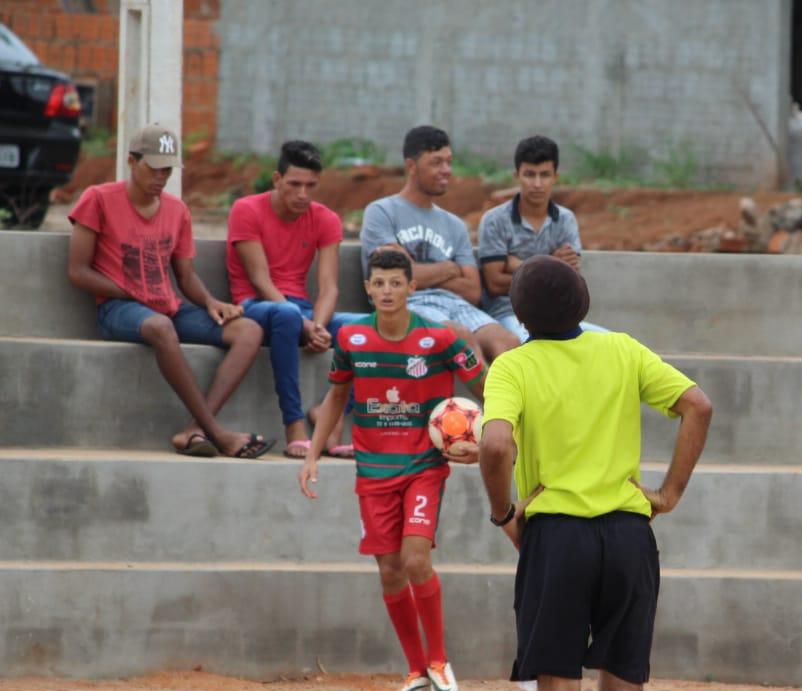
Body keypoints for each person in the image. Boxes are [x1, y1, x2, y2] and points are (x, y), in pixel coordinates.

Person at [479, 256, 713, 691]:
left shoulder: (514, 366)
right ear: (584, 304)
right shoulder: (621, 350)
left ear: (519, 315)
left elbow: (496, 443)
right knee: (623, 679)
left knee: (558, 688)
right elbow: (698, 405)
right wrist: (669, 493)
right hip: (628, 534)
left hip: (557, 537)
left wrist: (505, 513)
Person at [299, 248, 485, 691]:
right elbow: (336, 397)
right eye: (379, 283)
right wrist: (312, 454)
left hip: (423, 466)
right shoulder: (352, 338)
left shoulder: (440, 339)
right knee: (388, 571)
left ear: (411, 288)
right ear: (368, 288)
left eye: (395, 283)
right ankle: (417, 671)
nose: (386, 291)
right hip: (373, 470)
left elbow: (488, 387)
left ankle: (439, 662)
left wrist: (489, 441)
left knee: (415, 560)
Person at [67, 123, 273, 459]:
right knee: (160, 327)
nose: (161, 177)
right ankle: (218, 433)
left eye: (168, 169)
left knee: (249, 330)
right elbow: (78, 272)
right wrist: (130, 292)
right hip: (119, 309)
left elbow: (186, 277)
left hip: (168, 308)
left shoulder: (177, 210)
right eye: (154, 168)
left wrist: (211, 302)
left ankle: (194, 429)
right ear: (131, 161)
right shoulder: (98, 199)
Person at [227, 139, 360, 458]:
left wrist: (317, 326)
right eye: (294, 184)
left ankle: (332, 412)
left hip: (301, 311)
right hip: (254, 306)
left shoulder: (326, 219)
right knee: (286, 315)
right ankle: (294, 425)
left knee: (370, 327)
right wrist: (303, 323)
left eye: (311, 186)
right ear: (277, 180)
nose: (303, 194)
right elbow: (260, 280)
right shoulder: (246, 210)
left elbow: (329, 287)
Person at [360, 125, 518, 364]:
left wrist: (417, 270)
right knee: (459, 336)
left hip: (456, 304)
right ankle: (487, 391)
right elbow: (394, 277)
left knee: (508, 342)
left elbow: (473, 291)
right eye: (436, 163)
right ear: (411, 166)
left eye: (448, 162)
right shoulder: (381, 212)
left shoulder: (455, 224)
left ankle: (506, 390)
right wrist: (449, 268)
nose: (446, 170)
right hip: (407, 304)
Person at [477, 135, 607, 340]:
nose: (537, 184)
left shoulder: (565, 219)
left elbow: (569, 281)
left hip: (561, 318)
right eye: (529, 174)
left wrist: (517, 264)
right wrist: (553, 264)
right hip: (509, 315)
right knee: (527, 343)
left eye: (544, 175)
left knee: (609, 340)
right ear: (517, 175)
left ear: (555, 176)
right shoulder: (494, 220)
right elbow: (494, 284)